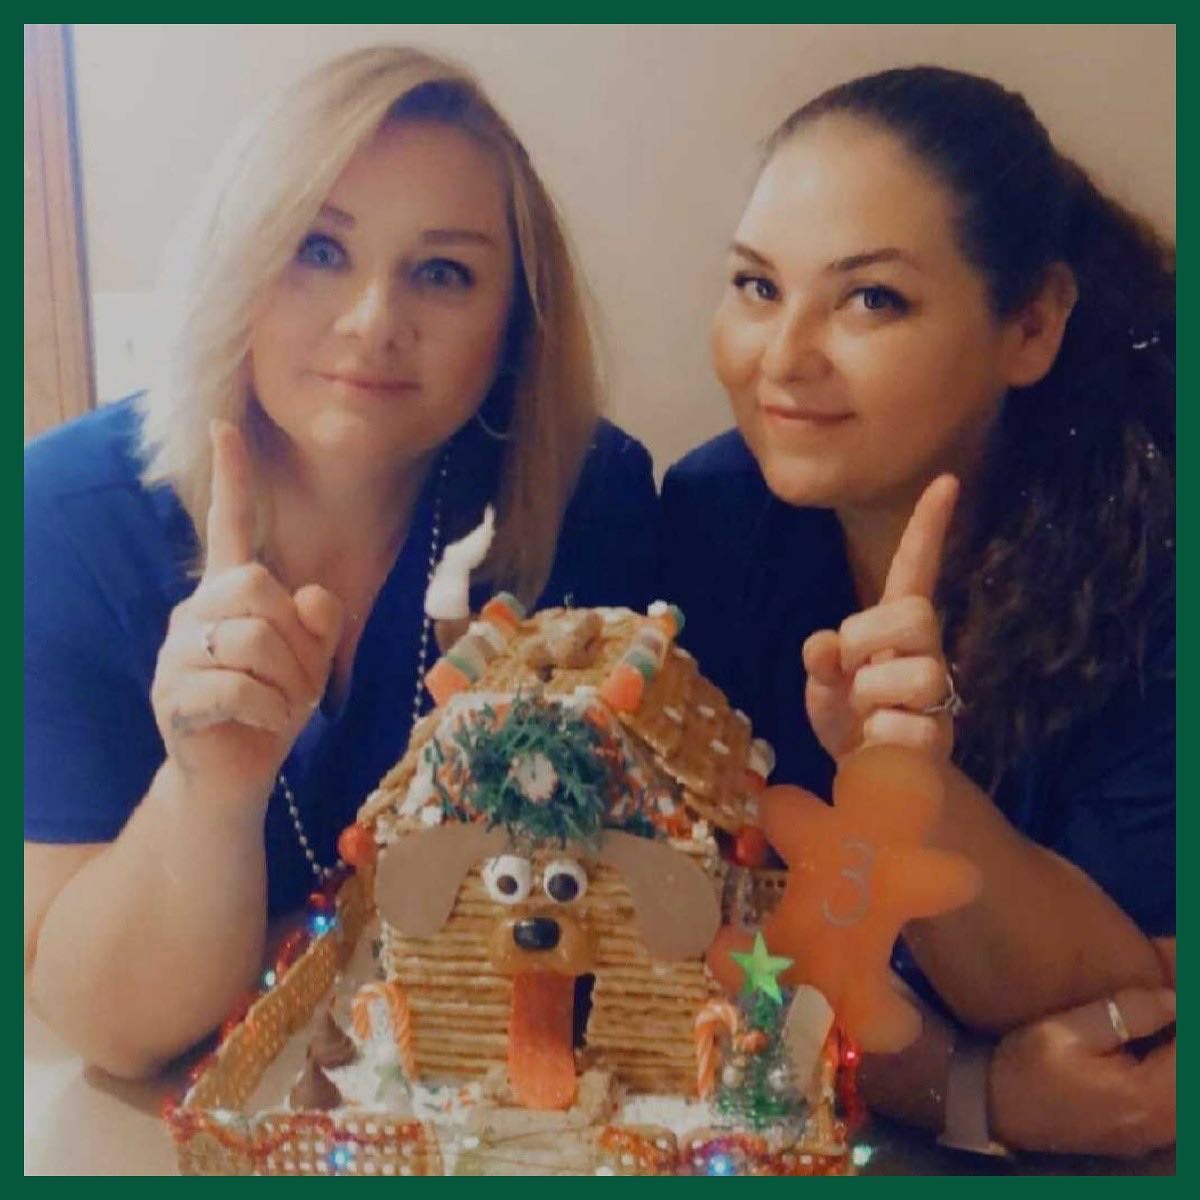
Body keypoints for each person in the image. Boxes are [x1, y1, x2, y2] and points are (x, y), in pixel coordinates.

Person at [24, 46, 657, 1079]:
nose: (372, 323)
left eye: (443, 273)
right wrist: (208, 791)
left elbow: (606, 926)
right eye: (317, 250)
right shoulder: (62, 520)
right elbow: (112, 1030)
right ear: (239, 266)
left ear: (515, 326)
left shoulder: (589, 500)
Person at [661, 66, 1174, 1156]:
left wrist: (913, 788)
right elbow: (694, 940)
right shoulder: (712, 522)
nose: (783, 358)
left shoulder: (1150, 563)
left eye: (871, 300)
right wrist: (962, 1088)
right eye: (757, 285)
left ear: (1031, 324)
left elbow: (1127, 1019)